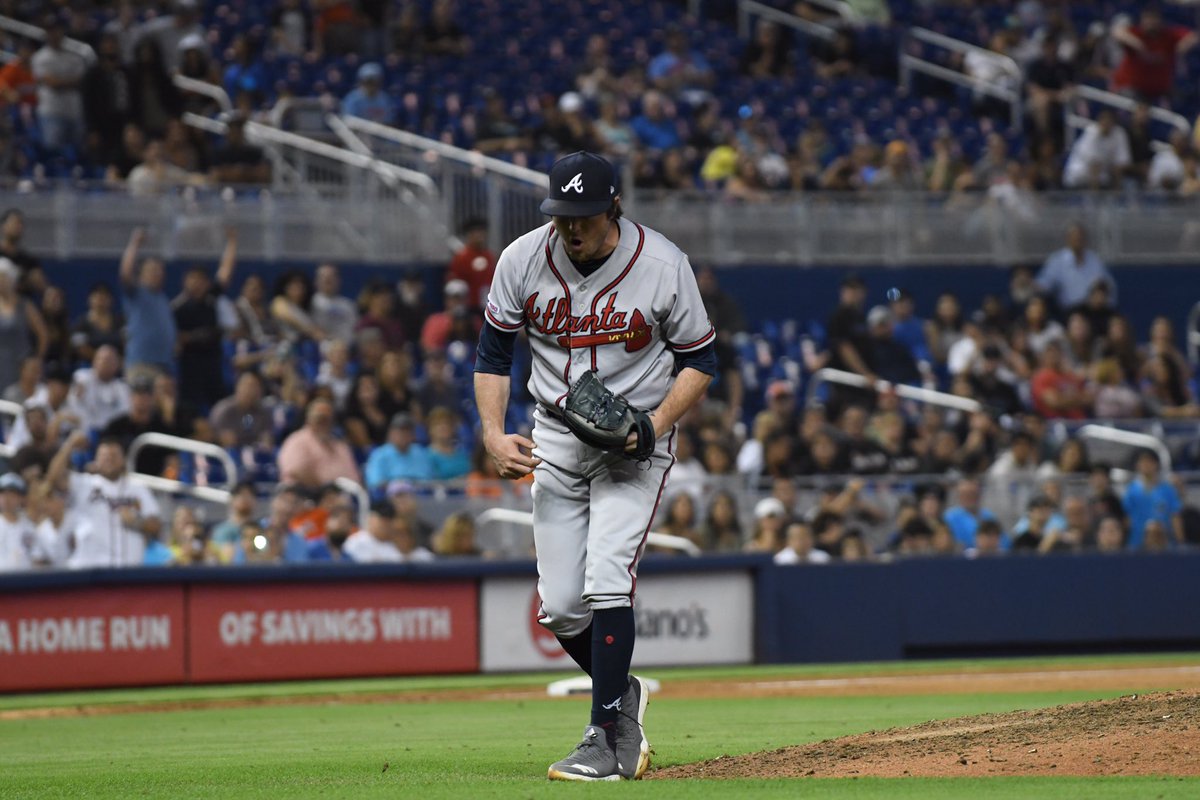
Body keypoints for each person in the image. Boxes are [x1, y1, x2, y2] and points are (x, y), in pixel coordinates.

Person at [473, 151, 715, 782]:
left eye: (583, 214)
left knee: (607, 578)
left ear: (613, 207)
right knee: (559, 608)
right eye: (561, 214)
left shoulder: (662, 265)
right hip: (555, 437)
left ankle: (603, 740)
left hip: (632, 446)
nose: (571, 227)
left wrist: (653, 425)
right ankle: (621, 692)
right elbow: (493, 355)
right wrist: (493, 433)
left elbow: (701, 361)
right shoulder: (522, 259)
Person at [48, 431, 163, 569]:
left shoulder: (137, 487)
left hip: (128, 572)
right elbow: (54, 478)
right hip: (89, 572)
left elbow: (156, 526)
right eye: (104, 456)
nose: (109, 460)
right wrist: (69, 445)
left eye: (114, 456)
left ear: (123, 460)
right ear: (96, 460)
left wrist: (137, 522)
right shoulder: (84, 483)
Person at [172, 230, 238, 409]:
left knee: (219, 405)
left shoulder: (211, 298)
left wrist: (232, 242)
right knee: (190, 407)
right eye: (192, 279)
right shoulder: (178, 307)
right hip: (190, 366)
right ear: (185, 282)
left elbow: (225, 273)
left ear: (207, 283)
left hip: (213, 363)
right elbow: (176, 339)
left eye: (201, 280)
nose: (197, 283)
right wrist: (195, 336)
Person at [119, 228, 177, 375]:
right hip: (141, 363)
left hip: (164, 364)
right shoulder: (137, 293)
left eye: (160, 270)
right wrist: (134, 244)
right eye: (152, 270)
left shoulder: (162, 299)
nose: (157, 273)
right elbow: (125, 274)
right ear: (141, 274)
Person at [276, 398, 361, 490]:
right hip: (303, 493)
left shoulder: (340, 446)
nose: (324, 423)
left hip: (340, 494)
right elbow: (296, 471)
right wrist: (324, 489)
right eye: (320, 418)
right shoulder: (296, 441)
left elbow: (354, 477)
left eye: (327, 419)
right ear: (309, 419)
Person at [31, 18, 87, 153]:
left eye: (57, 30)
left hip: (74, 111)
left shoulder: (74, 55)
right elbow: (52, 83)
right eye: (51, 31)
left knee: (79, 153)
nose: (54, 34)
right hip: (51, 112)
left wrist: (60, 81)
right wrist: (69, 81)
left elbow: (82, 81)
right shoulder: (40, 57)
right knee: (53, 154)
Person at [1036, 223, 1117, 313]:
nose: (1078, 240)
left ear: (1085, 240)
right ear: (1068, 239)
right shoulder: (1057, 261)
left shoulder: (1095, 260)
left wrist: (1103, 298)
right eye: (1074, 237)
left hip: (1095, 311)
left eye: (1080, 238)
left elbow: (1109, 285)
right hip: (1070, 312)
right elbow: (1044, 285)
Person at [1122, 449, 1182, 549]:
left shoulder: (1168, 490)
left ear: (1156, 465)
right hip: (1136, 543)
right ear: (1138, 465)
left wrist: (1180, 541)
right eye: (1143, 462)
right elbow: (1126, 518)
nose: (1146, 465)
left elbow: (1175, 516)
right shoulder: (1131, 490)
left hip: (1164, 543)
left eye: (1150, 462)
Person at [364, 413, 433, 493]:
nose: (403, 435)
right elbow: (375, 484)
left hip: (421, 496)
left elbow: (431, 481)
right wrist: (398, 487)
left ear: (413, 435)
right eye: (400, 432)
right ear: (390, 434)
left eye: (407, 431)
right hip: (390, 497)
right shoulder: (379, 455)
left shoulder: (421, 453)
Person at [446, 219, 497, 312]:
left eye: (481, 232)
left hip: (488, 305)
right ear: (469, 235)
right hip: (469, 307)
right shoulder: (461, 257)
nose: (479, 236)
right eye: (476, 232)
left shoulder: (489, 256)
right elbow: (455, 284)